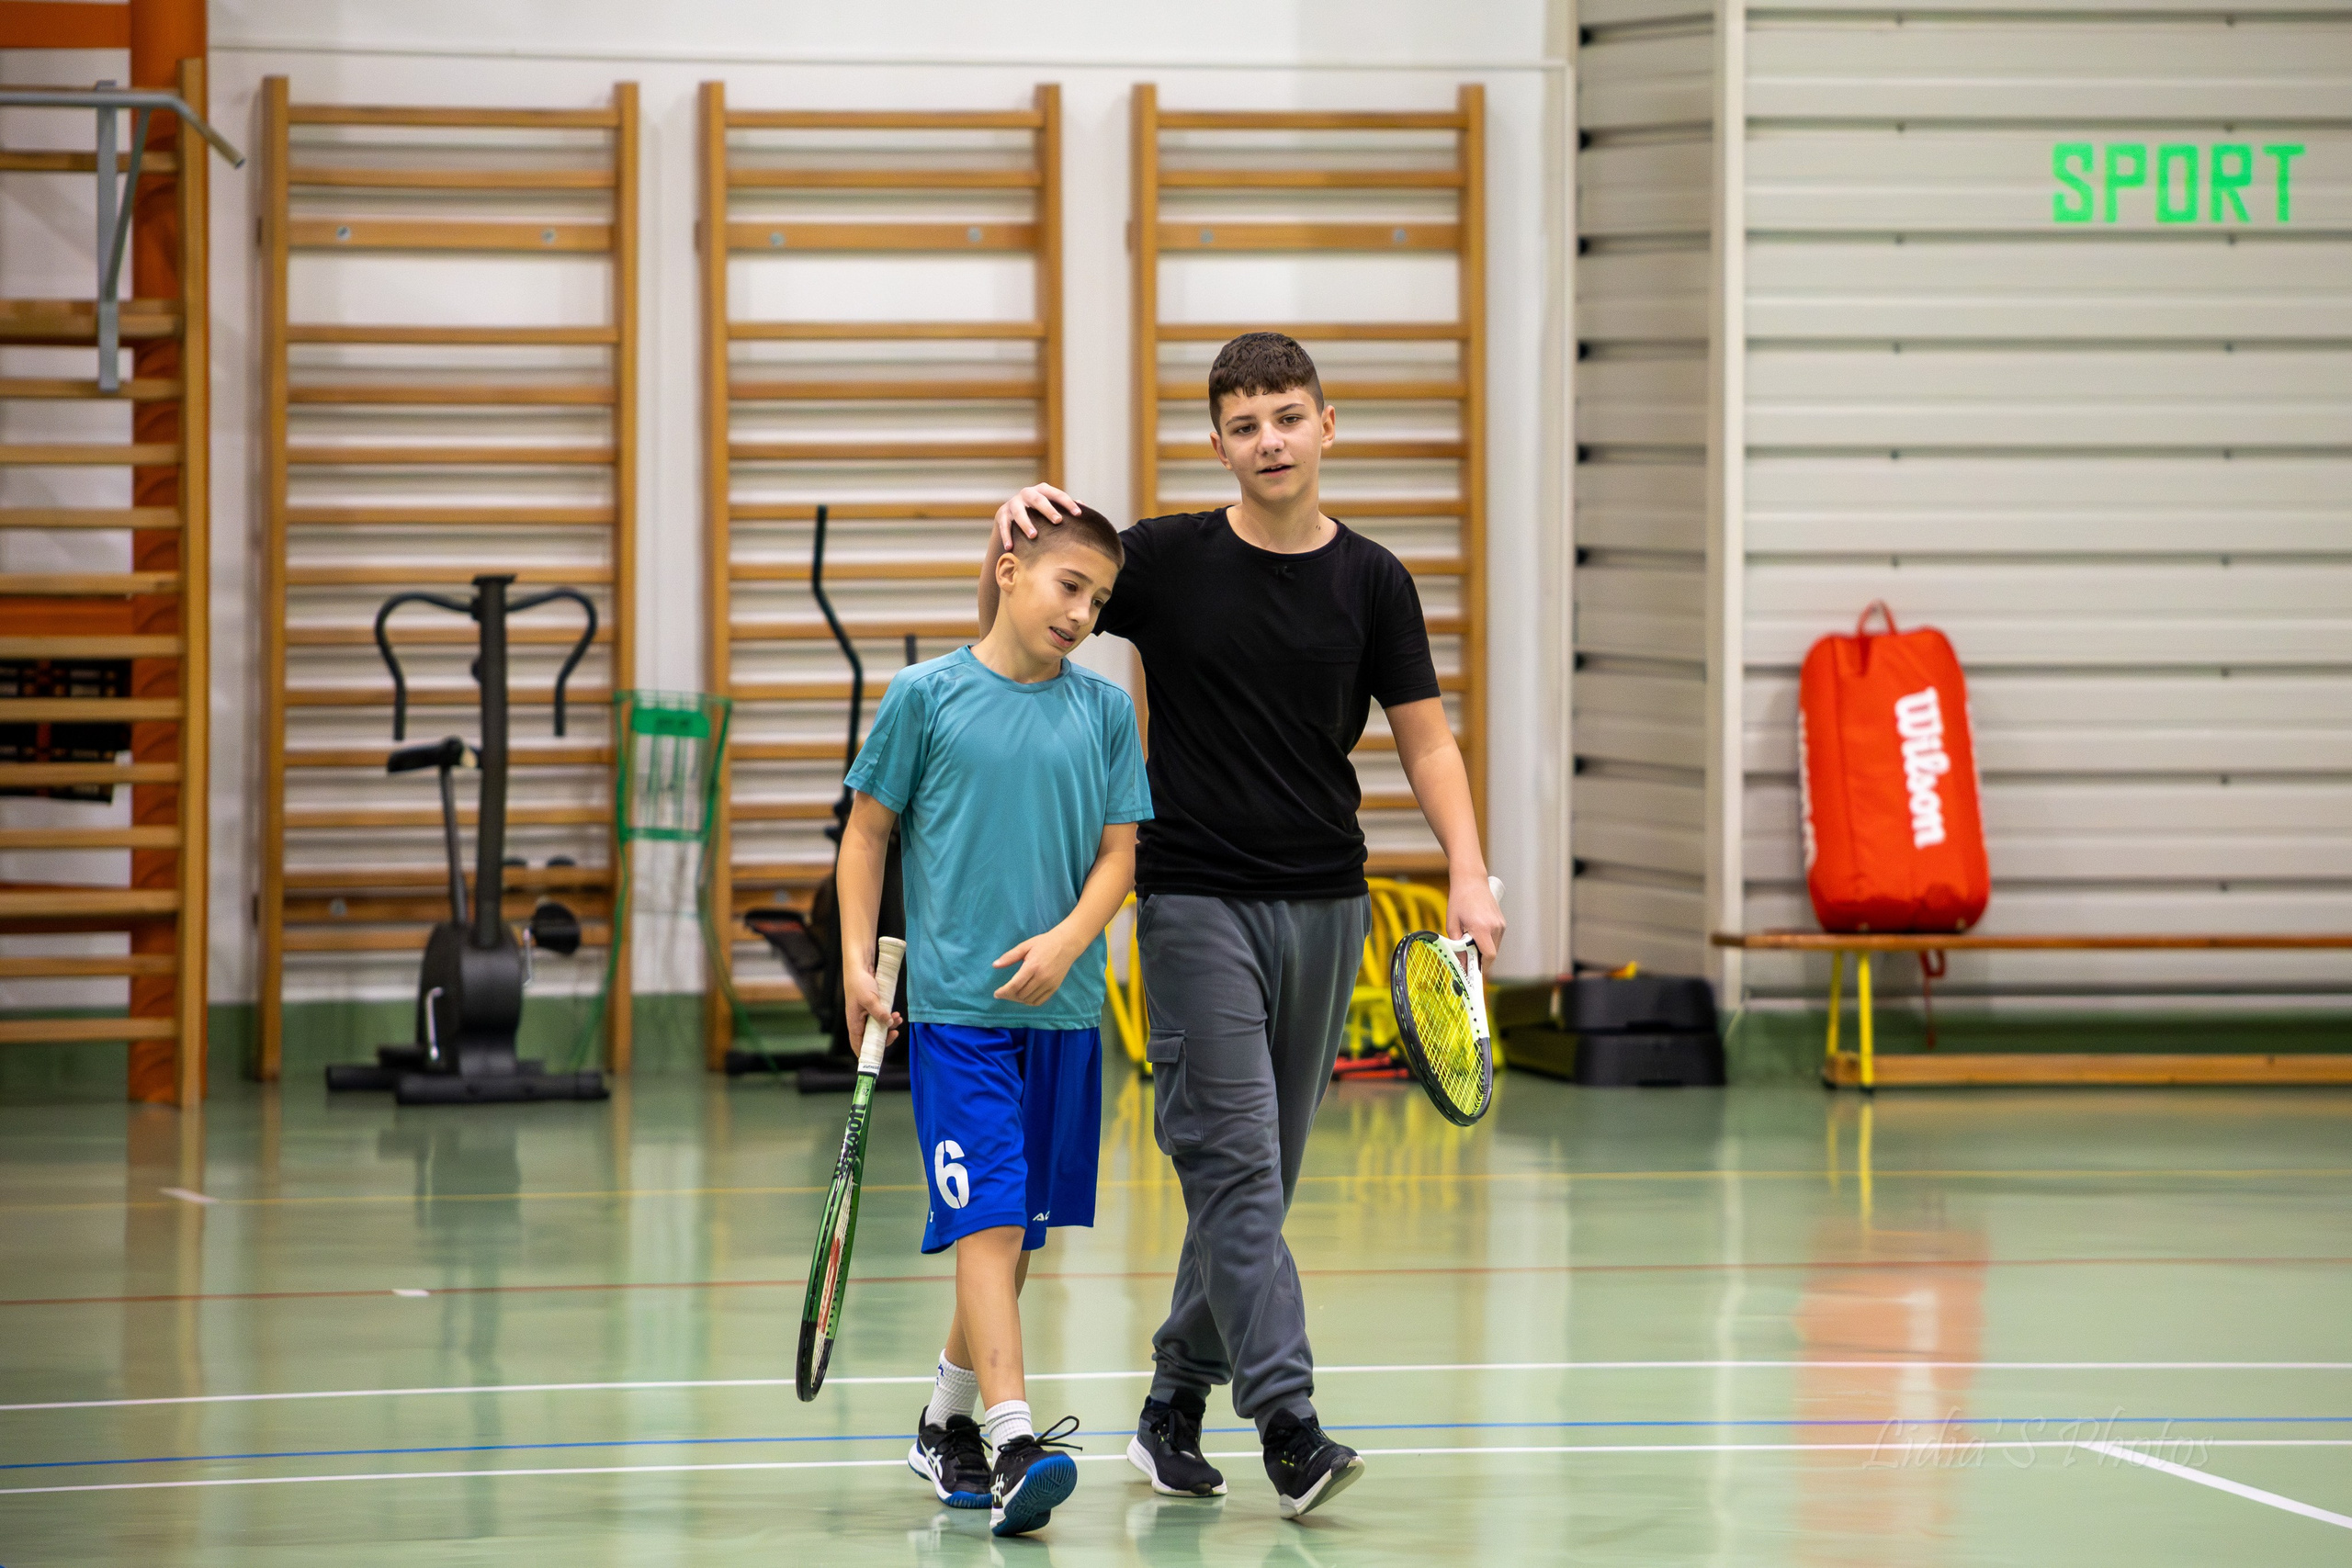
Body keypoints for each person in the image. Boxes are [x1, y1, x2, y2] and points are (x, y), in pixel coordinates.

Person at [981, 332, 1504, 1520]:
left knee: (1258, 1182)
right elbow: (1042, 575)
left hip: (1328, 903)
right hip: (1193, 897)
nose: (1269, 437)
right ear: (1216, 443)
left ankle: (1171, 1406)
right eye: (1245, 421)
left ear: (1329, 426)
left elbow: (1425, 735)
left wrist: (1470, 871)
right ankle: (1290, 1424)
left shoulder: (1374, 580)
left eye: (1287, 414)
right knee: (1232, 1160)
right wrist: (1013, 519)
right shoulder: (1163, 560)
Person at [837, 504, 1151, 1538]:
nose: (1083, 613)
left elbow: (1118, 856)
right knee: (990, 1221)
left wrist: (1069, 940)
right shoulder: (926, 698)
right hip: (959, 1019)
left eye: (1099, 602)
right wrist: (853, 961)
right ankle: (1015, 1441)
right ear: (1008, 573)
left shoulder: (1103, 712)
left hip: (1064, 1017)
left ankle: (943, 1422)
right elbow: (866, 834)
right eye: (1069, 587)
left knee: (1017, 1245)